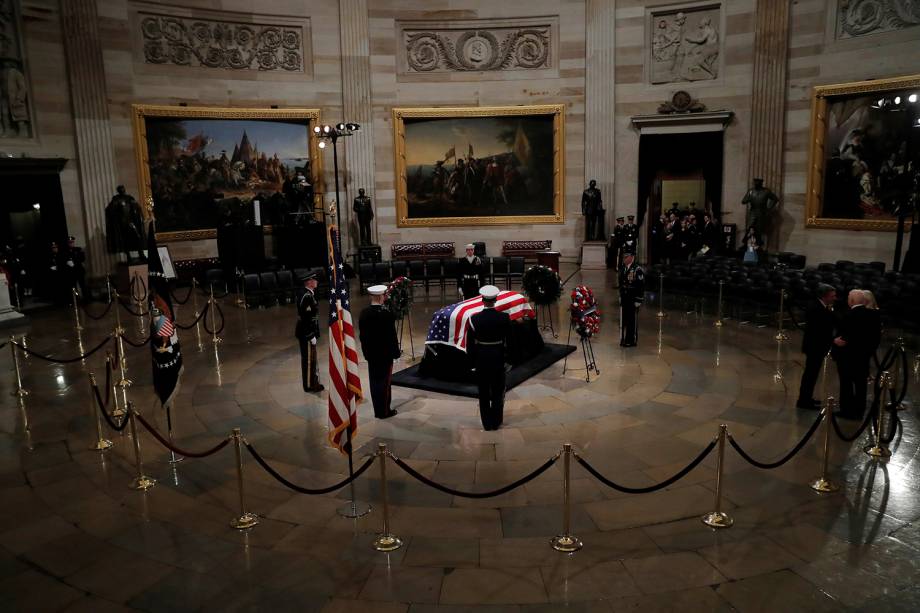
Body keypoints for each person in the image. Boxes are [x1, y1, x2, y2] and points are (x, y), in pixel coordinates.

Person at [466, 285, 510, 430]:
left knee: (483, 392)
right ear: (496, 300)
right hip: (498, 357)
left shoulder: (474, 319)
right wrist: (509, 360)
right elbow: (510, 341)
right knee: (498, 391)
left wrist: (472, 363)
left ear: (482, 300)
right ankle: (496, 421)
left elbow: (470, 345)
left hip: (481, 358)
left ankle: (487, 423)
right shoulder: (504, 318)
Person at [833, 289, 881, 420]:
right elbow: (875, 338)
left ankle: (847, 410)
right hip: (863, 357)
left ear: (851, 301)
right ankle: (859, 411)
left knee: (846, 384)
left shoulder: (849, 315)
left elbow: (844, 337)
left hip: (847, 358)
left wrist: (837, 343)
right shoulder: (873, 315)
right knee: (861, 385)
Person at [358, 285, 401, 419]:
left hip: (371, 354)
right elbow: (391, 336)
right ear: (381, 297)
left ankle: (378, 410)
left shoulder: (364, 313)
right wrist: (396, 353)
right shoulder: (386, 314)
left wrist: (366, 352)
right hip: (385, 355)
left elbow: (362, 337)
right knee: (384, 382)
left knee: (374, 381)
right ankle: (384, 411)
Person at [796, 284, 837, 410]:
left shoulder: (820, 306)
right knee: (810, 374)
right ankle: (804, 401)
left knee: (812, 374)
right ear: (824, 296)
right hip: (815, 346)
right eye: (832, 296)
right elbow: (820, 330)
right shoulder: (817, 308)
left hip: (816, 346)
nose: (835, 298)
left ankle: (807, 398)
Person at [295, 271, 323, 393]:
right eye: (314, 280)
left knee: (311, 358)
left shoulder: (308, 294)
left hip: (308, 331)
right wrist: (310, 335)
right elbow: (305, 318)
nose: (316, 282)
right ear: (309, 282)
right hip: (306, 333)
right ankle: (308, 385)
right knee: (307, 359)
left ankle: (313, 381)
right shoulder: (306, 296)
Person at [618, 249, 645, 347]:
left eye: (626, 257)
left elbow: (640, 286)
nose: (624, 259)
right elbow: (621, 284)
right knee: (625, 319)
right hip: (625, 297)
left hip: (633, 298)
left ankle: (631, 339)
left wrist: (639, 299)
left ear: (632, 257)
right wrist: (621, 296)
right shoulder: (623, 268)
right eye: (624, 257)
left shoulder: (637, 269)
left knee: (631, 320)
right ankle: (624, 338)